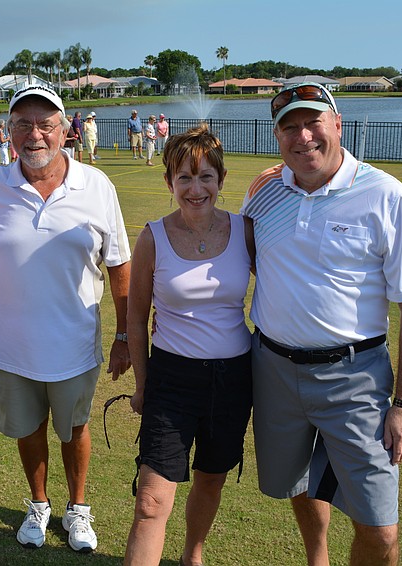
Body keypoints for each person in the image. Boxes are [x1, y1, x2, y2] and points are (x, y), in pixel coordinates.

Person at [241, 82, 402, 565]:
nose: (303, 137)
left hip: (356, 379)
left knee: (380, 527)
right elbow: (249, 260)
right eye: (289, 128)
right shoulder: (265, 195)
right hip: (273, 372)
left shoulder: (389, 198)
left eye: (313, 123)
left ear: (338, 125)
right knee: (300, 484)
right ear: (277, 137)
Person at [0, 84, 132, 553]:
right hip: (12, 346)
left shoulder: (96, 186)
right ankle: (39, 504)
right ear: (10, 131)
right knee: (28, 429)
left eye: (45, 124)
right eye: (23, 124)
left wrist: (124, 336)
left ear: (64, 130)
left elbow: (119, 266)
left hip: (75, 344)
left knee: (75, 429)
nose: (34, 135)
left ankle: (77, 508)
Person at [123, 124, 255, 566]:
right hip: (172, 379)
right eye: (184, 177)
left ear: (221, 180)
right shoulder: (152, 238)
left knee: (210, 479)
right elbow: (136, 320)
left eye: (205, 177)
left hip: (233, 378)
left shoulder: (245, 231)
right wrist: (143, 385)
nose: (195, 189)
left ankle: (192, 556)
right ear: (169, 182)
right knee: (151, 502)